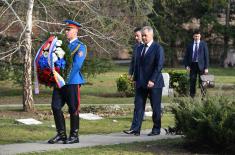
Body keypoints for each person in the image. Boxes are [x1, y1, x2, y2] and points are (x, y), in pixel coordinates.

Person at [48, 19, 87, 144]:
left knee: (73, 108)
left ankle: (74, 135)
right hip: (60, 82)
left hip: (72, 82)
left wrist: (65, 79)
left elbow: (76, 66)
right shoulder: (62, 45)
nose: (66, 31)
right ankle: (61, 134)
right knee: (55, 106)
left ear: (75, 31)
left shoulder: (80, 46)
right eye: (66, 29)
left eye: (69, 29)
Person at [123, 26, 164, 136]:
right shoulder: (139, 48)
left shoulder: (157, 48)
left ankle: (156, 129)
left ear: (151, 35)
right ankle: (135, 129)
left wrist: (152, 80)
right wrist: (134, 78)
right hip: (141, 82)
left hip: (154, 83)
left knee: (155, 107)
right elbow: (137, 65)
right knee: (138, 106)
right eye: (143, 35)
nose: (144, 37)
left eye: (145, 35)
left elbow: (159, 66)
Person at [184, 30, 209, 98]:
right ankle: (192, 97)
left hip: (202, 66)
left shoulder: (203, 44)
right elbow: (186, 56)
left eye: (198, 36)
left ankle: (203, 97)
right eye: (195, 36)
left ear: (200, 36)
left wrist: (206, 68)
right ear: (193, 36)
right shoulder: (190, 45)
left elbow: (206, 56)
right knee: (192, 81)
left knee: (202, 82)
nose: (197, 37)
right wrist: (186, 65)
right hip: (192, 65)